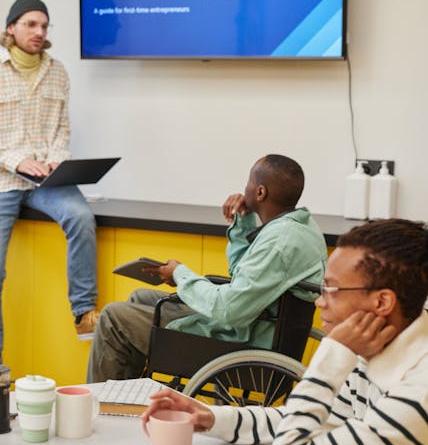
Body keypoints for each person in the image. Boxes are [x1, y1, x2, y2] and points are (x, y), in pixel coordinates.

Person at [142, 219, 428, 445]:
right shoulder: (375, 349)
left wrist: (332, 355)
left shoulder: (419, 392)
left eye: (331, 289)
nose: (319, 301)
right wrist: (213, 417)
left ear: (381, 302)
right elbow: (310, 420)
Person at [87, 154, 327, 382]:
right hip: (260, 323)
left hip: (244, 340)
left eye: (249, 183)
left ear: (261, 192)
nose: (244, 189)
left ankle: (101, 408)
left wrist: (180, 274)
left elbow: (229, 308)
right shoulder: (299, 227)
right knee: (141, 297)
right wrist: (242, 222)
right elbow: (242, 275)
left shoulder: (279, 242)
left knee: (113, 318)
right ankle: (127, 398)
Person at [0, 0, 99, 366]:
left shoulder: (58, 72)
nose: (39, 31)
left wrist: (55, 161)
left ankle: (84, 312)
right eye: (31, 24)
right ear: (11, 28)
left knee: (82, 217)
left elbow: (61, 132)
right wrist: (17, 161)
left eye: (44, 25)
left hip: (45, 181)